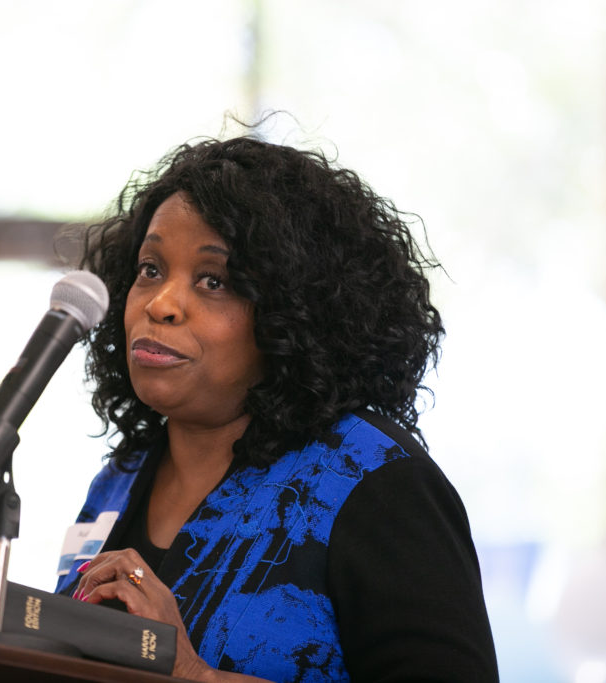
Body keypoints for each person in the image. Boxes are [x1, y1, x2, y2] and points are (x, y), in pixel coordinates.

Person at [54, 135, 499, 682]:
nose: (160, 303)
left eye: (213, 280)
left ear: (294, 316)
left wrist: (197, 676)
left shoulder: (373, 482)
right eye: (150, 269)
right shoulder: (116, 483)